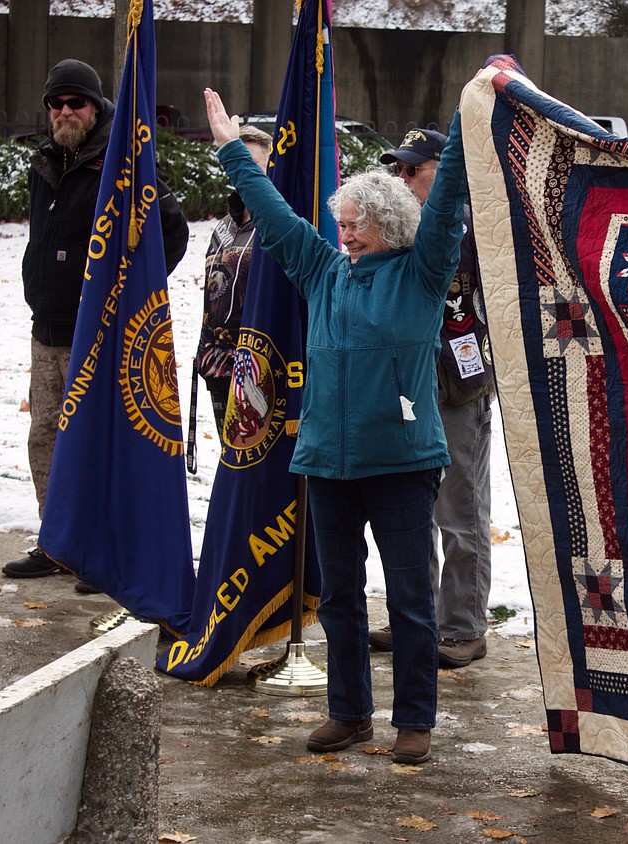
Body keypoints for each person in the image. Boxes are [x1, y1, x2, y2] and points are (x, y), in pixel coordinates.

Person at [204, 87, 468, 765]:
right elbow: (274, 215)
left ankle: (415, 718)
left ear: (386, 223)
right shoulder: (323, 269)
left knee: (411, 600)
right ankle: (349, 713)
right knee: (340, 599)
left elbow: (444, 208)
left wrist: (470, 122)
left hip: (403, 464)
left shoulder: (422, 272)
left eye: (355, 225)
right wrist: (234, 151)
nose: (343, 234)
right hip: (325, 461)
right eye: (341, 223)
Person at [4, 59, 189, 584]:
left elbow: (169, 234)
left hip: (99, 337)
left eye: (75, 103)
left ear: (95, 106)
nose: (64, 112)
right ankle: (56, 540)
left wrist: (124, 299)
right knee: (45, 438)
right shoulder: (44, 163)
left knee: (94, 444)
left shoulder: (123, 163)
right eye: (55, 104)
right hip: (46, 329)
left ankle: (98, 548)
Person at [368, 128, 494, 669]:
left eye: (411, 169)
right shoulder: (395, 227)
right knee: (407, 511)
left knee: (459, 510)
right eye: (397, 169)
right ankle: (414, 618)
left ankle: (464, 627)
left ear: (443, 169)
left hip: (457, 385)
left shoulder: (476, 225)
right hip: (405, 385)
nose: (402, 178)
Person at [194, 124, 273, 440]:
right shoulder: (225, 225)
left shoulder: (277, 225)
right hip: (218, 364)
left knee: (253, 457)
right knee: (229, 457)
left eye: (252, 164)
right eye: (236, 162)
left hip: (258, 364)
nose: (243, 171)